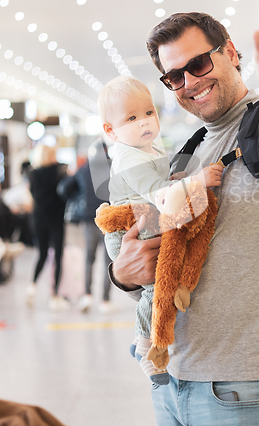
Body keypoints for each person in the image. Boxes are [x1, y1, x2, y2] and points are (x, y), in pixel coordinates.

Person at [107, 8, 259, 425]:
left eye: (198, 63)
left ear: (231, 52)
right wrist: (122, 274)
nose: (189, 82)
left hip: (243, 388)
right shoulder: (192, 148)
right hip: (172, 378)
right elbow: (161, 256)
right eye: (174, 76)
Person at [97, 75, 223, 385]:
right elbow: (161, 197)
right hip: (131, 225)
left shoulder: (147, 149)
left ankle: (172, 299)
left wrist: (176, 178)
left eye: (148, 112)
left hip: (145, 218)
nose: (144, 122)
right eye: (131, 118)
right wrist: (197, 180)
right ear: (110, 131)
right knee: (156, 285)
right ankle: (144, 343)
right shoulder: (127, 156)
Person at [57, 145, 119, 315]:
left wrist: (78, 196)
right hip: (109, 219)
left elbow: (63, 188)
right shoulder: (113, 166)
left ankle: (87, 295)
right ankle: (105, 300)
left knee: (88, 259)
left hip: (89, 220)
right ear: (106, 151)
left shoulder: (84, 169)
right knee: (109, 261)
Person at [26, 144, 70, 311]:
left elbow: (32, 194)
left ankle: (32, 286)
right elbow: (65, 193)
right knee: (58, 256)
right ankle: (55, 296)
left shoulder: (33, 174)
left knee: (42, 254)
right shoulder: (59, 172)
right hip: (56, 219)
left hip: (38, 218)